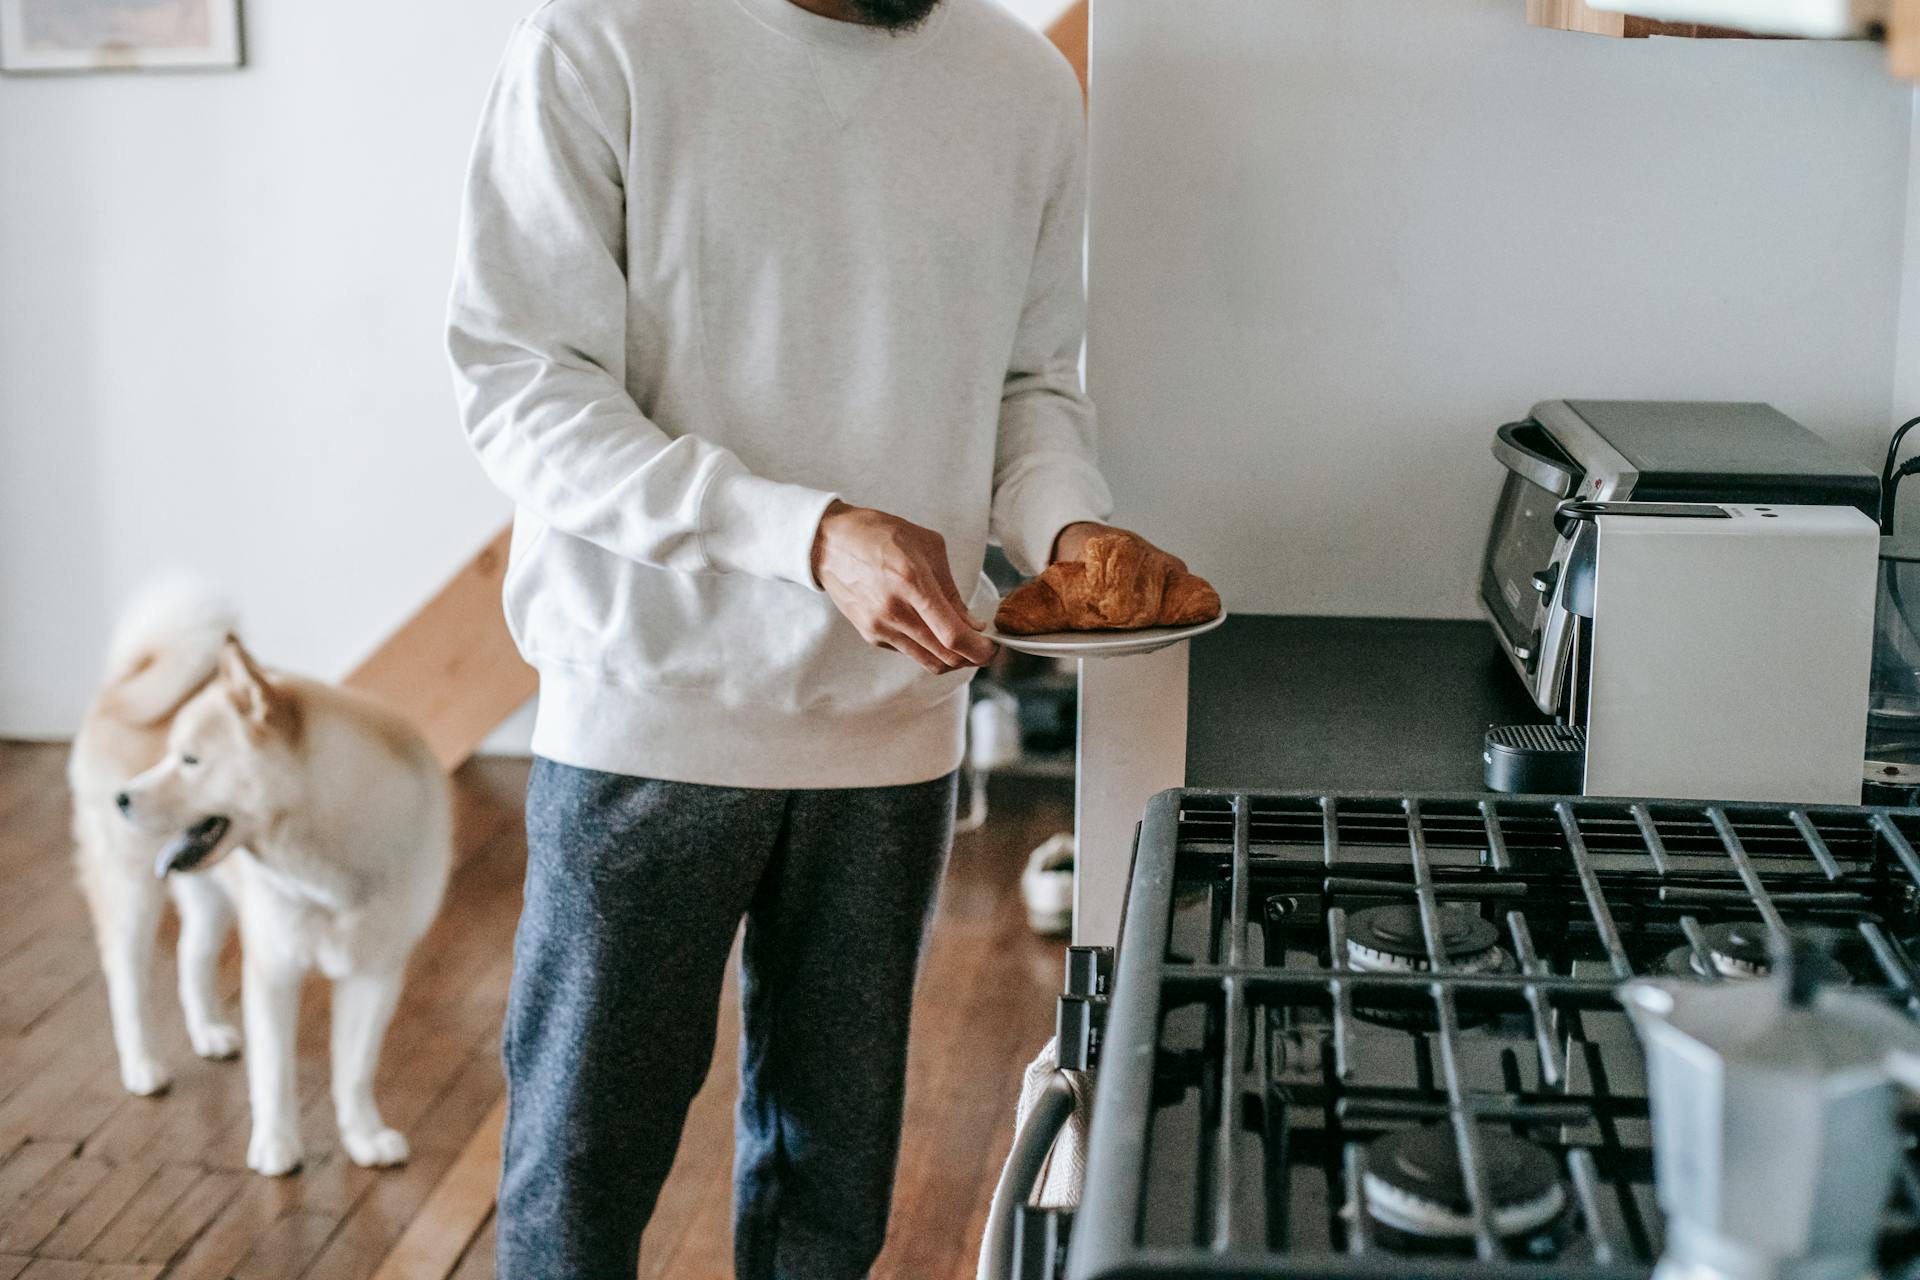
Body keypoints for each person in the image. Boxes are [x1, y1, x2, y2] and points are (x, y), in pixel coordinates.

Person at [447, 0, 1182, 1273]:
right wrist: (807, 532)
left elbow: (1028, 385)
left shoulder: (1020, 83)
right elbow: (521, 386)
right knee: (578, 1183)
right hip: (647, 720)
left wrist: (1071, 529)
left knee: (827, 1200)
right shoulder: (600, 39)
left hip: (892, 737)